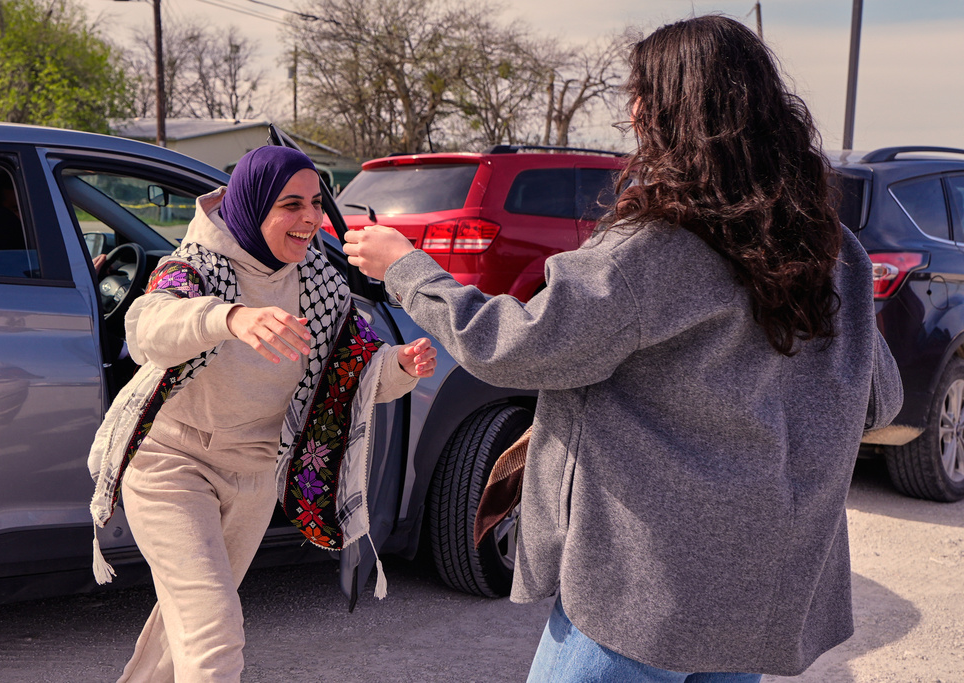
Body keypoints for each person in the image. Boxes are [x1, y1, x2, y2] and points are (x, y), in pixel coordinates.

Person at [343, 14, 903, 683]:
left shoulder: (654, 248)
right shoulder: (831, 249)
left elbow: (516, 348)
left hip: (646, 589)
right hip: (759, 593)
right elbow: (876, 398)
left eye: (640, 93)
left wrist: (406, 266)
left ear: (671, 112)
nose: (631, 110)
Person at [87, 146, 437, 683]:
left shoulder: (320, 284)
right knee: (214, 632)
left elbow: (354, 376)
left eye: (316, 203)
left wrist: (401, 366)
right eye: (290, 205)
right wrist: (228, 317)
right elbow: (145, 330)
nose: (310, 219)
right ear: (251, 208)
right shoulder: (195, 266)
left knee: (191, 627)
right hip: (168, 467)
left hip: (252, 476)